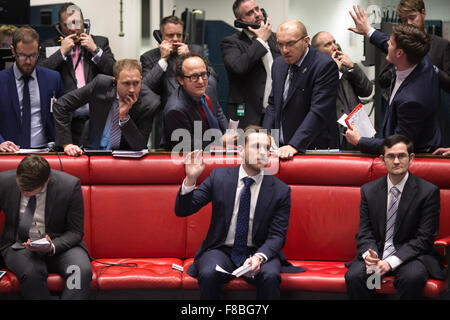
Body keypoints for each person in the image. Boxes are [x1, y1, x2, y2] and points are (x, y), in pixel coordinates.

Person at [175, 126, 304, 299]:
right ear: (242, 151)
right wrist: (191, 179)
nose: (263, 152)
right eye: (256, 147)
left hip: (259, 250)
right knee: (208, 274)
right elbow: (183, 210)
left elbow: (277, 236)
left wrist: (259, 257)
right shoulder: (219, 177)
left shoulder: (280, 191)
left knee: (270, 276)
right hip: (221, 250)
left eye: (267, 148)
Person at [345, 134, 446, 299]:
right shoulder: (369, 191)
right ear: (382, 159)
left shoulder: (428, 192)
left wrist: (390, 262)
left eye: (401, 156)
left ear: (411, 158)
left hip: (411, 257)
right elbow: (365, 231)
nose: (396, 161)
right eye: (391, 156)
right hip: (378, 255)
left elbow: (424, 238)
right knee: (355, 276)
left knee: (412, 278)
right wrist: (370, 256)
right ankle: (374, 282)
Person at [345, 5, 441, 154]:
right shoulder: (421, 59)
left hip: (415, 156)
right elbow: (385, 41)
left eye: (391, 43)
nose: (387, 44)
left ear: (399, 53)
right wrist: (368, 30)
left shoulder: (412, 100)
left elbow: (398, 144)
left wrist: (360, 141)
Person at [0, 155, 92, 299]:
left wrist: (52, 246)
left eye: (29, 191)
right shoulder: (4, 181)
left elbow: (75, 232)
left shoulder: (69, 186)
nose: (25, 193)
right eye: (22, 188)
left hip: (60, 244)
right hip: (19, 245)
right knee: (32, 272)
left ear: (46, 181)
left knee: (79, 270)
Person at [38, 2, 116, 145]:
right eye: (68, 24)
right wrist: (61, 52)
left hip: (96, 117)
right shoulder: (48, 46)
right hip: (65, 120)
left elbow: (114, 71)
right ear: (59, 27)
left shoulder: (100, 42)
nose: (74, 28)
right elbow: (39, 75)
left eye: (77, 22)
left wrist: (95, 50)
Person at [262, 20, 339, 160]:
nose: (285, 50)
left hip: (312, 148)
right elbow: (273, 105)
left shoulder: (324, 65)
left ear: (306, 41)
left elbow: (318, 111)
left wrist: (295, 144)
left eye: (291, 43)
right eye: (280, 44)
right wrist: (266, 134)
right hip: (280, 148)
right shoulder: (278, 64)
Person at [378, 0, 450, 146]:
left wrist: (431, 69)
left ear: (423, 13)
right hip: (400, 115)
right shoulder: (397, 45)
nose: (409, 23)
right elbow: (383, 79)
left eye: (412, 17)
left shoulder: (441, 45)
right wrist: (404, 64)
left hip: (432, 119)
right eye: (404, 20)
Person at [53, 59, 159, 156]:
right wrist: (67, 144)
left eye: (136, 83)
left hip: (124, 158)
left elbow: (139, 145)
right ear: (115, 81)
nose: (132, 89)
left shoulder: (149, 102)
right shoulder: (101, 85)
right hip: (91, 150)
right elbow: (61, 105)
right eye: (126, 83)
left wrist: (124, 117)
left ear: (141, 79)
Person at [140, 15, 217, 148]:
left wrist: (189, 57)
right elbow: (144, 89)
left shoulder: (196, 51)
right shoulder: (149, 57)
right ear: (160, 36)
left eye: (179, 35)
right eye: (170, 35)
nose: (175, 39)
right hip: (168, 118)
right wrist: (163, 60)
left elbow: (213, 78)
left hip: (198, 113)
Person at [0, 27, 64, 152]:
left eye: (33, 55)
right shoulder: (1, 80)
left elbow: (64, 115)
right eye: (23, 56)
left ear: (39, 50)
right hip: (10, 152)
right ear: (13, 51)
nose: (28, 61)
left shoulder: (53, 78)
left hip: (45, 151)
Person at [221, 0, 280, 129]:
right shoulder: (231, 42)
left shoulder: (276, 39)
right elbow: (239, 67)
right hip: (247, 114)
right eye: (250, 13)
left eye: (257, 9)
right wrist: (260, 41)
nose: (257, 14)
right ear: (240, 20)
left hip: (274, 113)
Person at [311, 31, 373, 150]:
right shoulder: (313, 73)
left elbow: (367, 91)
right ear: (316, 52)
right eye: (328, 44)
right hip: (334, 137)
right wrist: (333, 71)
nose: (335, 47)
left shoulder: (344, 67)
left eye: (334, 42)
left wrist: (352, 67)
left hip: (358, 131)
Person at [163, 53, 228, 151]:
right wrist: (220, 141)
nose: (201, 81)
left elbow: (218, 113)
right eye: (194, 77)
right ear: (181, 80)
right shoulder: (176, 110)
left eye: (203, 74)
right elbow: (187, 147)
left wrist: (229, 132)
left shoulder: (208, 87)